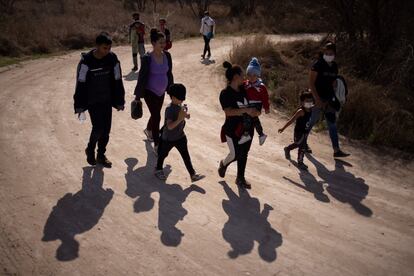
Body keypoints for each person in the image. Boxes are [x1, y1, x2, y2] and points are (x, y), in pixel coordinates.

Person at [73, 32, 125, 168]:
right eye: (104, 48)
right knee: (98, 128)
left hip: (106, 99)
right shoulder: (86, 62)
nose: (107, 51)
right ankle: (90, 149)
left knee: (106, 131)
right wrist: (79, 105)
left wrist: (120, 100)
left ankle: (101, 155)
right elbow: (80, 83)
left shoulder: (112, 59)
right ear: (97, 46)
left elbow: (118, 79)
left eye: (109, 48)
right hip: (92, 101)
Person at [218, 61, 261, 189]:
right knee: (235, 154)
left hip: (247, 128)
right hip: (232, 130)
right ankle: (223, 164)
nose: (245, 78)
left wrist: (257, 110)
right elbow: (228, 112)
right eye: (243, 75)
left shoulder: (244, 89)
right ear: (236, 77)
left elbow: (255, 100)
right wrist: (245, 110)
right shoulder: (225, 93)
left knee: (244, 153)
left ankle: (240, 178)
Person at [134, 29, 174, 154]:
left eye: (164, 42)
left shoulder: (167, 55)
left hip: (161, 92)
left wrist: (171, 90)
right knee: (157, 115)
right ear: (153, 43)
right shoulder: (147, 58)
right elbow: (142, 76)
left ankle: (148, 130)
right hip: (149, 91)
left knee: (155, 114)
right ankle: (157, 144)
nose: (163, 45)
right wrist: (137, 96)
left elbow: (169, 73)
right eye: (160, 42)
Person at [307, 42, 350, 158]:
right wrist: (317, 99)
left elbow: (333, 82)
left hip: (328, 99)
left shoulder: (334, 66)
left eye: (330, 53)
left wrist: (336, 91)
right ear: (323, 53)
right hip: (317, 98)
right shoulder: (318, 64)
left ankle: (336, 150)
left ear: (334, 54)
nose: (328, 55)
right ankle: (302, 142)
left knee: (332, 124)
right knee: (312, 120)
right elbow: (311, 83)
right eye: (326, 53)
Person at [155, 84, 204, 182]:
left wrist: (186, 115)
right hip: (168, 138)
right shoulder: (169, 109)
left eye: (183, 98)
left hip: (180, 137)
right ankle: (158, 169)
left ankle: (192, 174)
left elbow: (182, 114)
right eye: (180, 98)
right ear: (173, 97)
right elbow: (169, 126)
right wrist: (180, 118)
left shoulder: (179, 105)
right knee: (162, 155)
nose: (182, 100)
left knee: (186, 156)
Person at [278, 91, 314, 170]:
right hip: (298, 132)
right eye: (307, 101)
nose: (309, 102)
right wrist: (283, 128)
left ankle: (287, 149)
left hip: (305, 132)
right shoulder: (301, 111)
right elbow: (291, 120)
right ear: (302, 102)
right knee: (302, 146)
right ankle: (300, 162)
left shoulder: (311, 109)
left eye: (310, 100)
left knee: (299, 145)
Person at [239, 57, 270, 146]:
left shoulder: (261, 87)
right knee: (254, 119)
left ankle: (246, 134)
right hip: (248, 104)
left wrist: (266, 107)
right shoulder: (245, 84)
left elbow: (265, 98)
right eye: (249, 74)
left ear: (258, 75)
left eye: (254, 75)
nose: (251, 77)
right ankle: (261, 134)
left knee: (247, 117)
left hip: (257, 105)